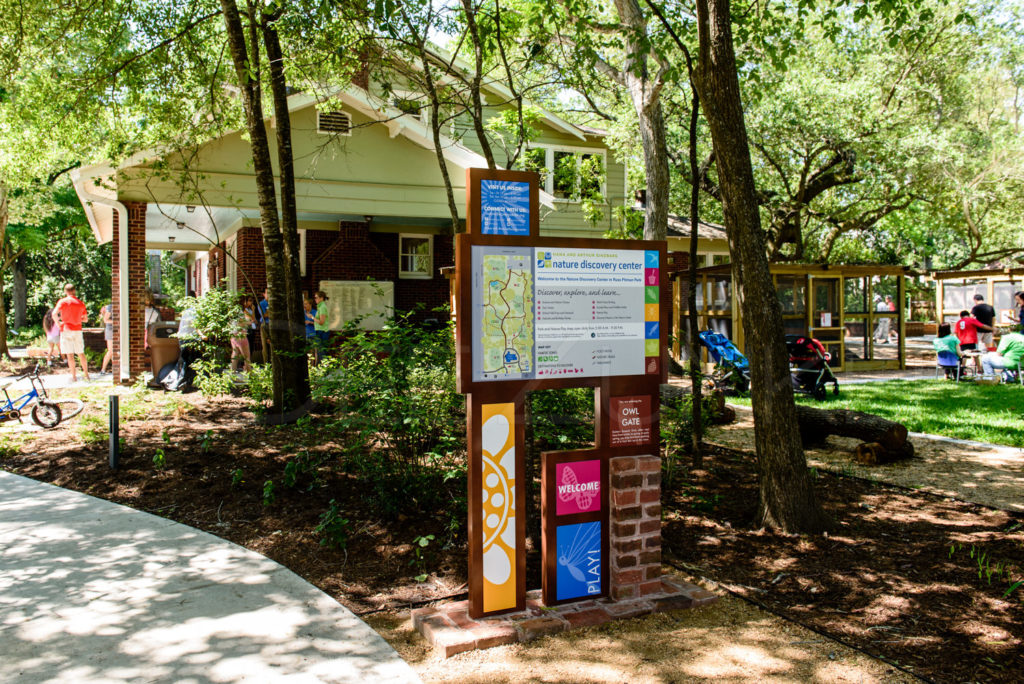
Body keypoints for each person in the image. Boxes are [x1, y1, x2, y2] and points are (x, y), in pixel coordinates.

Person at [53, 283, 90, 383]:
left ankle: (74, 377)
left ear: (65, 291)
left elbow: (54, 313)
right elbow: (86, 319)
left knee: (70, 355)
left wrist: (58, 324)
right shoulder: (80, 303)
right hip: (77, 329)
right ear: (74, 291)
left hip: (66, 329)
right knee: (81, 353)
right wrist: (78, 318)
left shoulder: (63, 302)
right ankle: (86, 374)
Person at [229, 298, 252, 373]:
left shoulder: (232, 312)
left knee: (235, 354)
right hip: (241, 335)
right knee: (247, 356)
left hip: (233, 335)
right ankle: (250, 377)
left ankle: (232, 374)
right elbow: (240, 323)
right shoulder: (240, 313)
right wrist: (248, 322)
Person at [313, 290, 330, 363]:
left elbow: (321, 322)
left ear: (321, 298)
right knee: (321, 351)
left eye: (316, 298)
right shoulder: (320, 306)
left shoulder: (322, 307)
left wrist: (312, 318)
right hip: (320, 330)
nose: (315, 299)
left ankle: (323, 368)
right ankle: (323, 368)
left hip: (322, 331)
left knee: (321, 351)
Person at [99, 302, 113, 375]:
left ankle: (115, 368)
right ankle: (103, 369)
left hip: (117, 330)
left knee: (114, 351)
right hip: (110, 330)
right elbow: (105, 320)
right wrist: (117, 322)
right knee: (110, 351)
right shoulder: (111, 307)